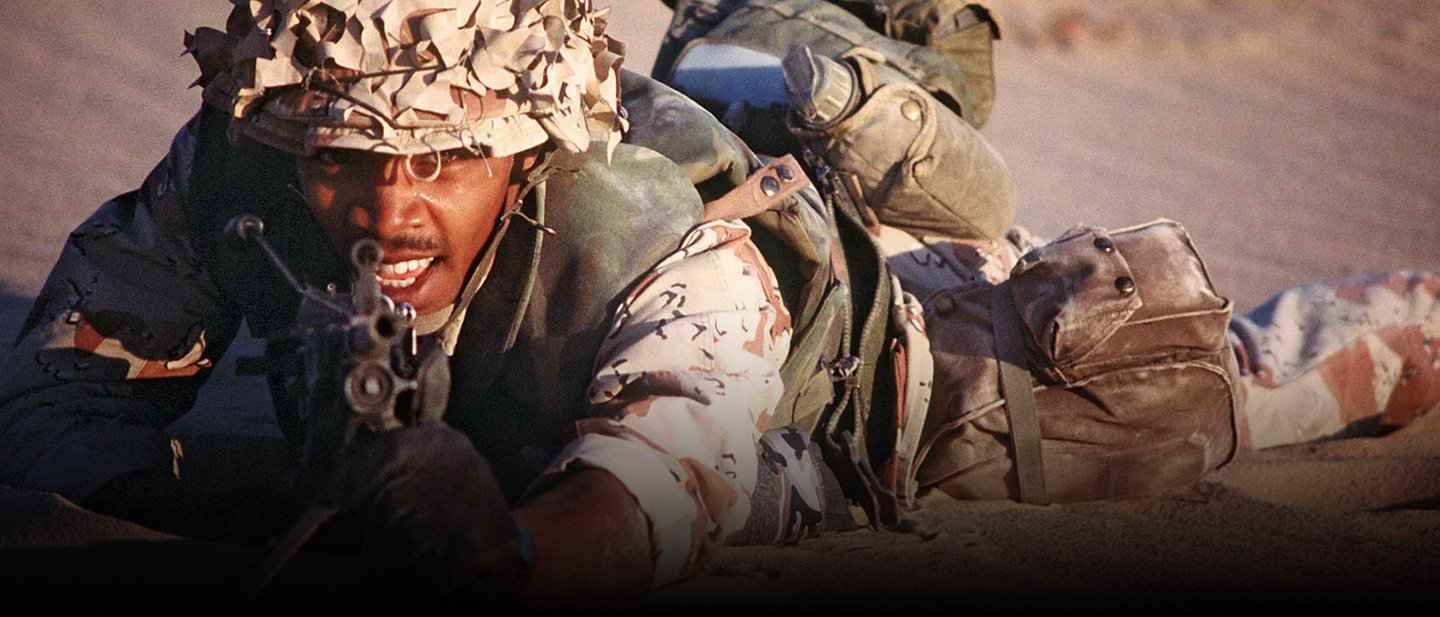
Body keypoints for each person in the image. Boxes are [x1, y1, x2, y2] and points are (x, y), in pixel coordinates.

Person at [0, 0, 834, 606]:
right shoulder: (243, 160)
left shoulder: (661, 237)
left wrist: (506, 555)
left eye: (446, 161)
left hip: (840, 384)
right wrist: (260, 509)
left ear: (526, 157)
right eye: (340, 159)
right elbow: (49, 404)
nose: (389, 215)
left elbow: (664, 487)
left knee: (768, 484)